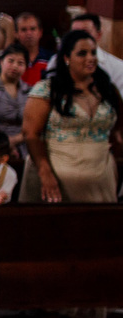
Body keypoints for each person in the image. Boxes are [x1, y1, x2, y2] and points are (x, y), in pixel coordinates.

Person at [20, 29, 123, 203]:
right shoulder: (47, 90)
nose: (90, 58)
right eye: (82, 53)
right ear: (67, 58)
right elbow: (31, 134)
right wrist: (45, 172)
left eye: (93, 52)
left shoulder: (107, 89)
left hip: (100, 177)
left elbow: (119, 127)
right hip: (55, 179)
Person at [70, 12, 123, 97]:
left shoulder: (117, 67)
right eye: (74, 33)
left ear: (98, 35)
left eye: (85, 32)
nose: (78, 37)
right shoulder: (57, 61)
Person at [15, 12, 53, 86]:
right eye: (24, 30)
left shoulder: (51, 59)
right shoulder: (11, 59)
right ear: (16, 34)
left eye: (33, 29)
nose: (29, 33)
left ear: (40, 32)